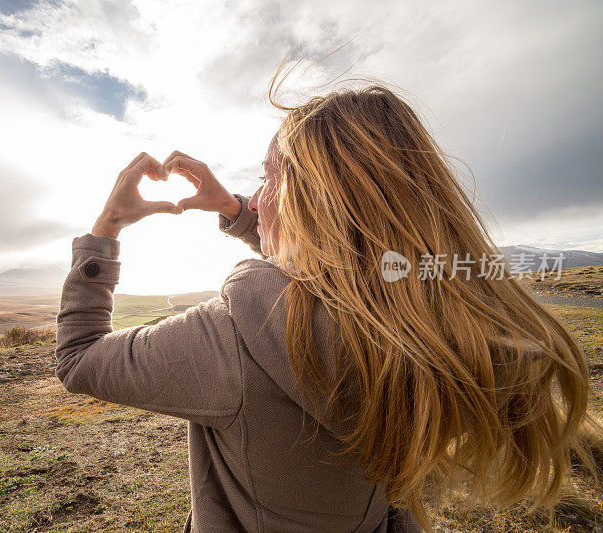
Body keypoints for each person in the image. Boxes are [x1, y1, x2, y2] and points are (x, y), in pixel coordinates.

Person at [54, 78, 599, 532]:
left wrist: (105, 232)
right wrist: (239, 211)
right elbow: (335, 276)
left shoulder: (234, 340)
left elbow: (79, 359)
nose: (258, 193)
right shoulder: (433, 320)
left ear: (316, 198)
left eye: (269, 177)